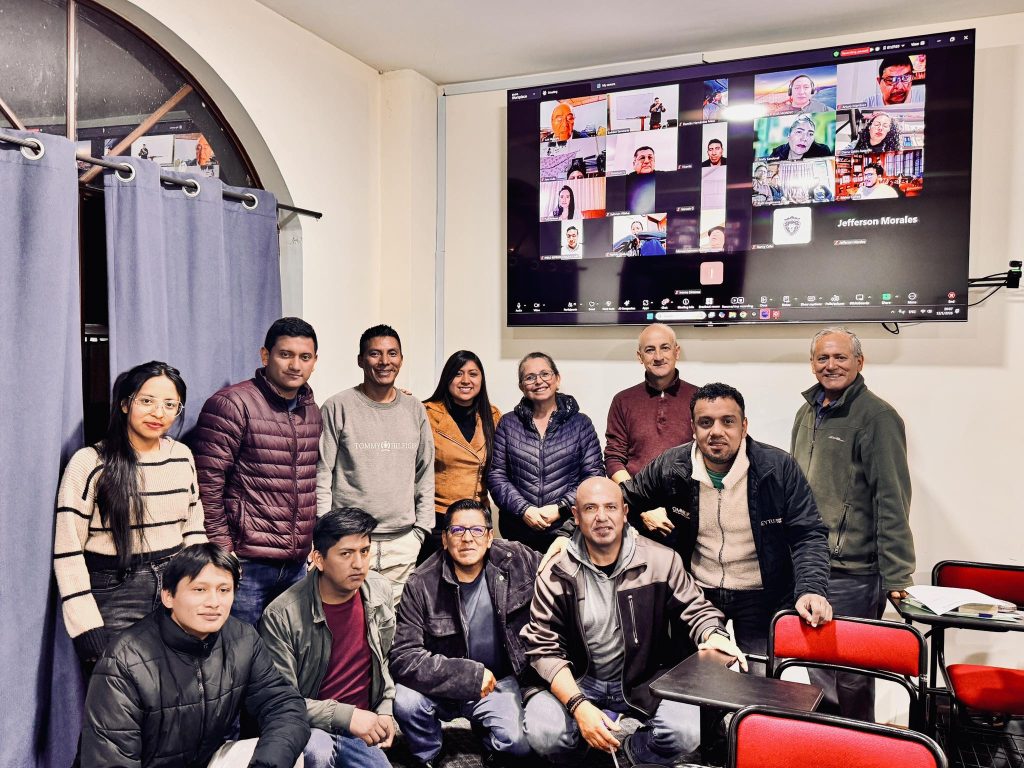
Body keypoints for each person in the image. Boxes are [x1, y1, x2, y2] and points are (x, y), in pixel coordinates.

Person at [522, 477, 744, 766]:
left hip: (644, 678)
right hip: (579, 679)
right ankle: (585, 755)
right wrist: (578, 705)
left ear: (625, 512)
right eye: (590, 508)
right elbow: (543, 648)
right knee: (544, 734)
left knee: (686, 732)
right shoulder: (555, 570)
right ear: (575, 517)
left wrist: (712, 632)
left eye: (610, 507)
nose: (602, 517)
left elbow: (695, 606)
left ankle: (630, 754)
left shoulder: (661, 560)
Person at [614, 383, 832, 669]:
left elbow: (808, 534)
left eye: (727, 421)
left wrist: (811, 588)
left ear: (744, 426)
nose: (716, 431)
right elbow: (621, 501)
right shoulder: (672, 466)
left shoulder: (777, 468)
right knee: (692, 686)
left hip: (762, 595)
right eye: (706, 422)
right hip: (696, 593)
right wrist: (570, 535)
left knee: (757, 685)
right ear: (693, 428)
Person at [80, 543, 309, 768]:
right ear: (168, 596)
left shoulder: (242, 638)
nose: (213, 603)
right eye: (199, 590)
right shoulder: (123, 661)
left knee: (290, 754)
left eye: (224, 590)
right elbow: (110, 760)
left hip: (208, 760)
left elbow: (284, 706)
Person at [791, 327, 915, 721]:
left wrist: (897, 576)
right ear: (812, 364)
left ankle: (859, 748)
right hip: (812, 565)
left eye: (840, 357)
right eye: (823, 358)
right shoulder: (806, 411)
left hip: (856, 573)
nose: (831, 365)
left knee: (851, 675)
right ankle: (827, 747)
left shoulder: (877, 417)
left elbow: (892, 498)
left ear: (860, 362)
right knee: (818, 668)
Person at [55, 361, 206, 672]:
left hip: (174, 585)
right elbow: (68, 551)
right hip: (115, 590)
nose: (158, 413)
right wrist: (86, 627)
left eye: (170, 404)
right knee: (117, 698)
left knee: (174, 693)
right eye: (146, 401)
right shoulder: (90, 463)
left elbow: (193, 528)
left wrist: (200, 587)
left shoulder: (182, 456)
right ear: (125, 404)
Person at [390, 499, 539, 767]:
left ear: (490, 536)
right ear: (445, 539)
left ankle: (486, 736)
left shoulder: (516, 559)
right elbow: (403, 656)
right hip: (440, 686)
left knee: (519, 745)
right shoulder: (421, 582)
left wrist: (564, 542)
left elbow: (559, 569)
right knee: (405, 701)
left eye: (477, 530)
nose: (467, 538)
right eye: (457, 531)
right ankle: (429, 754)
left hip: (496, 685)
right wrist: (468, 675)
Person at [194, 317, 322, 625]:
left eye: (305, 357)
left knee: (286, 656)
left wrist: (312, 540)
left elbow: (307, 482)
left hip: (296, 565)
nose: (295, 365)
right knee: (240, 655)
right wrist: (223, 551)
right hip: (247, 563)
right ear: (265, 356)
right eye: (285, 354)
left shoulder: (311, 411)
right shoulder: (232, 404)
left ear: (315, 361)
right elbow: (205, 485)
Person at [259, 508, 397, 768]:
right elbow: (281, 701)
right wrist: (347, 715)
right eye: (346, 554)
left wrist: (385, 709)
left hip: (362, 726)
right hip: (311, 728)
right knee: (317, 751)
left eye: (364, 551)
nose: (359, 564)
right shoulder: (281, 615)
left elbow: (384, 661)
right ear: (318, 559)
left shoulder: (379, 591)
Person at [317, 324, 434, 602]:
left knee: (393, 628)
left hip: (402, 542)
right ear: (360, 360)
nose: (384, 362)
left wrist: (421, 532)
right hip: (348, 541)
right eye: (375, 354)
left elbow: (425, 472)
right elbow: (322, 473)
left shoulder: (414, 408)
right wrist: (325, 533)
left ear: (401, 360)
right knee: (349, 622)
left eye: (392, 354)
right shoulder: (337, 406)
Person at [487, 352, 603, 552]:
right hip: (518, 530)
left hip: (567, 531)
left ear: (557, 379)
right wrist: (525, 510)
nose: (538, 381)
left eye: (545, 374)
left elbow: (594, 476)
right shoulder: (508, 424)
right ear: (522, 387)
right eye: (530, 377)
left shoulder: (581, 424)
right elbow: (496, 475)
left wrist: (560, 508)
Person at [605, 324, 700, 544]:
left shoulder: (699, 398)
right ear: (640, 357)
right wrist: (641, 506)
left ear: (677, 352)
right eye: (650, 350)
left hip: (687, 512)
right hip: (635, 514)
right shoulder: (623, 400)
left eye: (664, 348)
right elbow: (614, 459)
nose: (658, 356)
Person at [420, 350, 502, 562]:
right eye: (458, 374)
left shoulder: (493, 416)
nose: (466, 380)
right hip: (439, 518)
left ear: (481, 379)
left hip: (479, 518)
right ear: (447, 378)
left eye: (473, 374)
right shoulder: (426, 413)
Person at [767, 114, 833, 160]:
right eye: (799, 132)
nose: (804, 138)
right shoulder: (777, 152)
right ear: (788, 135)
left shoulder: (822, 152)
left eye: (810, 134)